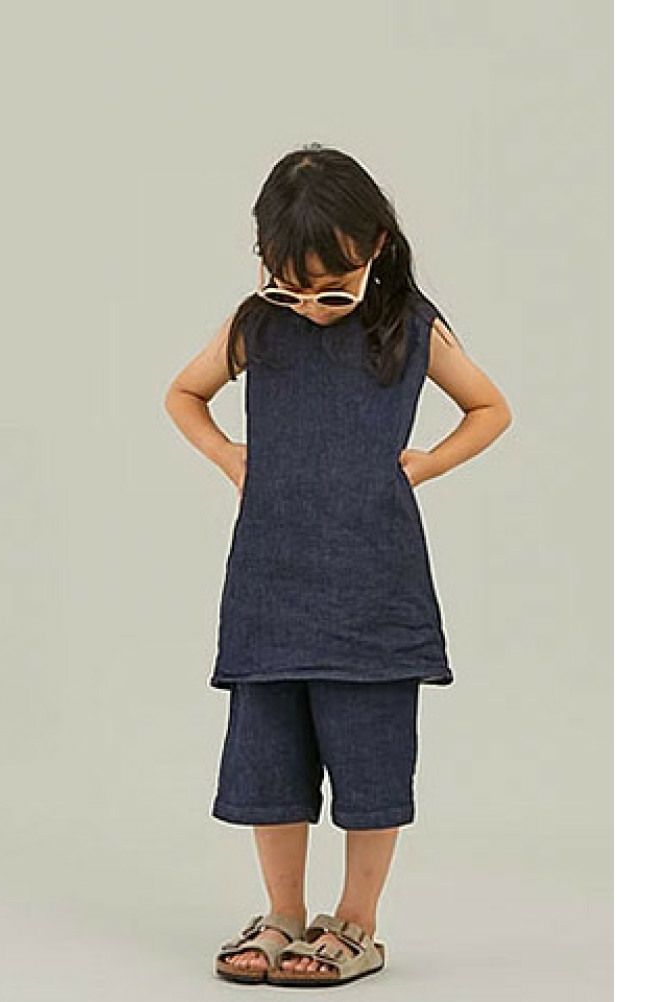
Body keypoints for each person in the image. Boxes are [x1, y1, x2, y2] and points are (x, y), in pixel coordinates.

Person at [163, 143, 512, 986]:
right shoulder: (256, 325)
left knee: (371, 759)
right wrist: (230, 457)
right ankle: (283, 914)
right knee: (268, 760)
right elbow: (183, 393)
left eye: (333, 289)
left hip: (374, 588)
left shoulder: (409, 326)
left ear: (376, 247)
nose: (311, 308)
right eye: (290, 288)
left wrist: (424, 464)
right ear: (264, 262)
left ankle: (356, 922)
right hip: (271, 581)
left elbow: (489, 407)